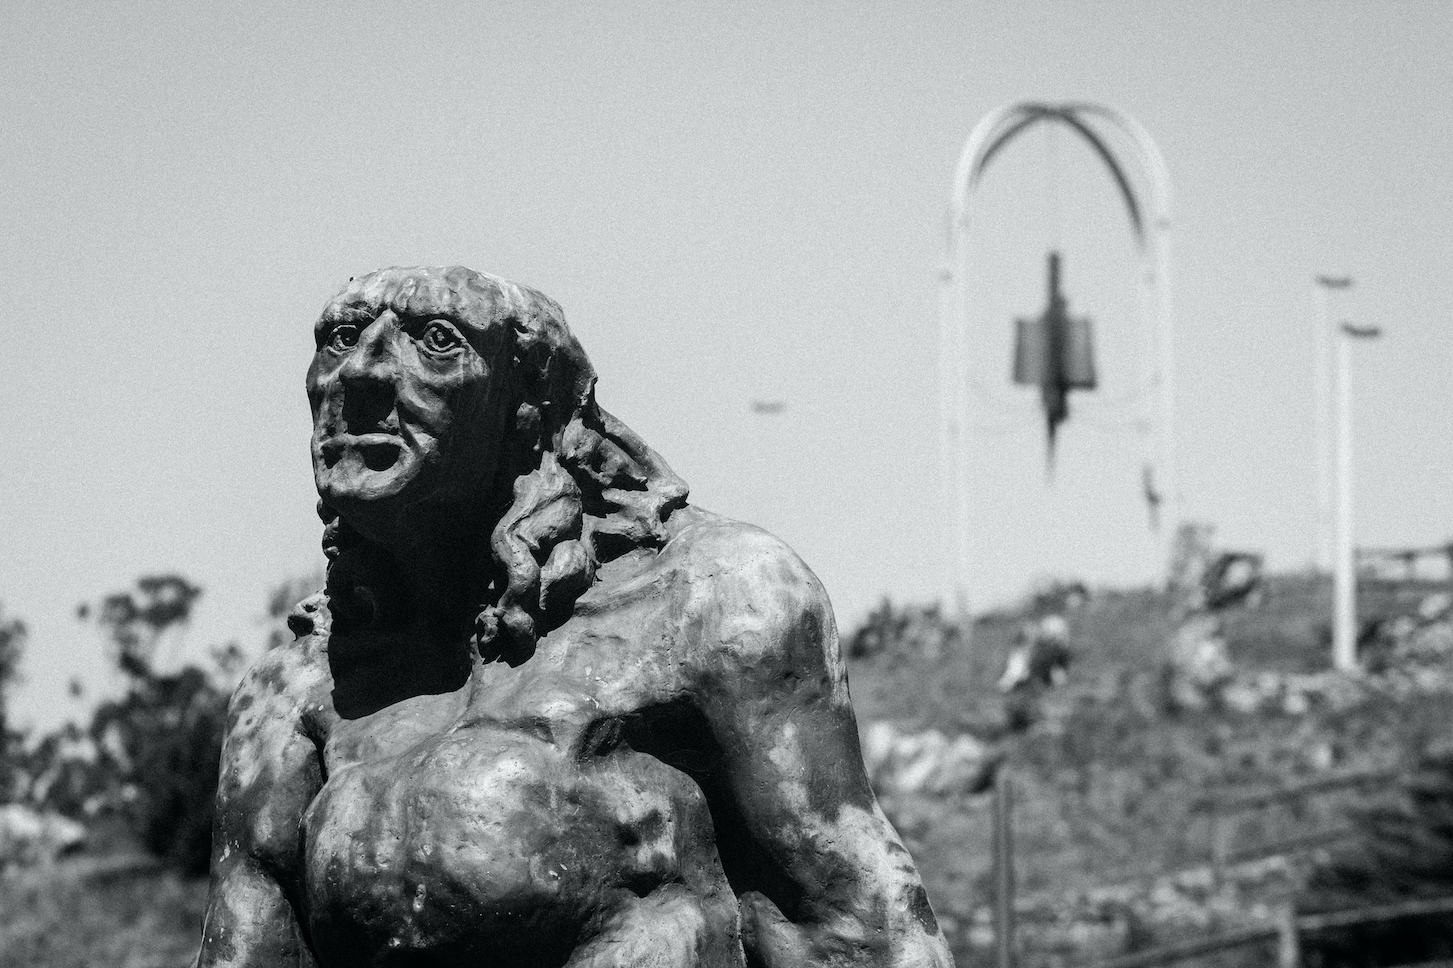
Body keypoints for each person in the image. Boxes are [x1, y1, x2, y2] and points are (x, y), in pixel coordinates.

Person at [196, 267, 951, 968]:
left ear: (528, 408)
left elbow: (853, 925)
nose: (360, 372)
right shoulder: (293, 690)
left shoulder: (711, 601)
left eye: (437, 342)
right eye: (338, 339)